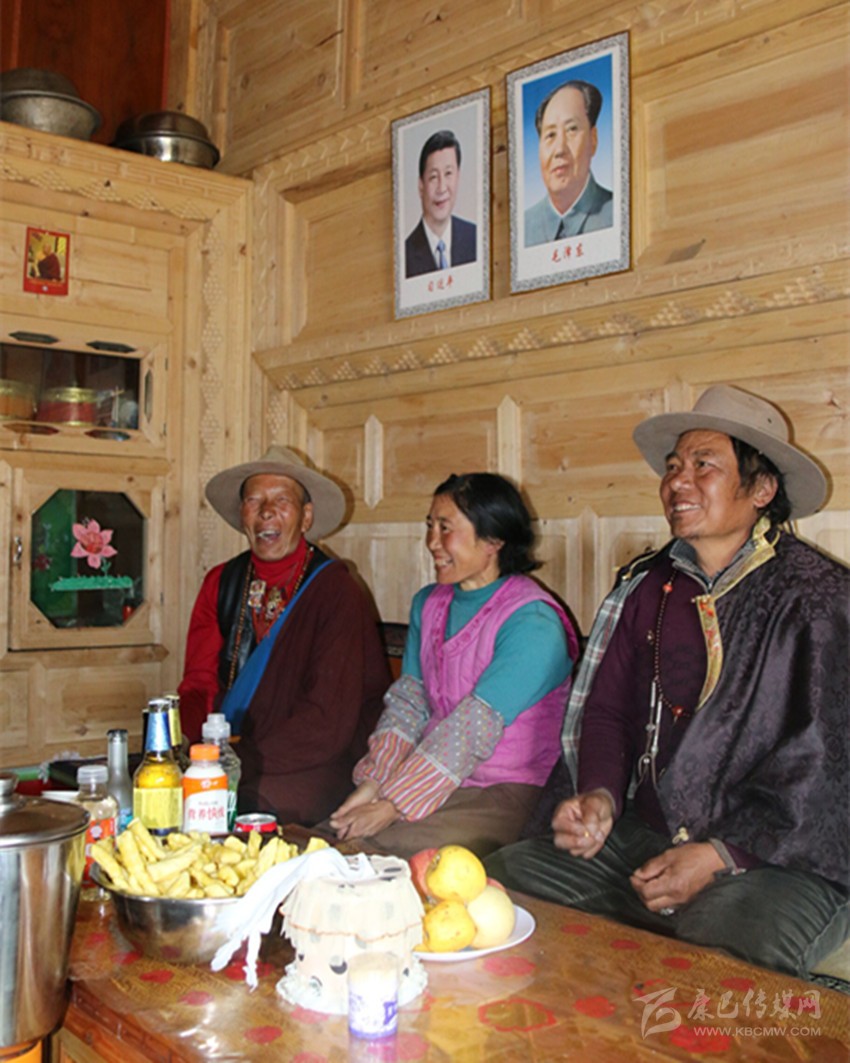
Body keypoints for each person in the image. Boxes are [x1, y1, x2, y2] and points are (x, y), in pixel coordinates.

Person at [486, 385, 849, 980]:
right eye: (674, 466)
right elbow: (606, 711)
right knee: (503, 890)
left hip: (778, 857)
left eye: (704, 465)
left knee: (718, 961)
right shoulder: (648, 586)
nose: (678, 481)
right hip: (645, 834)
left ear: (761, 489)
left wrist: (719, 855)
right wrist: (600, 797)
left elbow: (827, 770)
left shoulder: (819, 599)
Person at [329, 473, 579, 858]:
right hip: (431, 776)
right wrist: (374, 783)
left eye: (446, 528)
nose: (432, 542)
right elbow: (409, 702)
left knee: (374, 854)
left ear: (494, 540)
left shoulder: (533, 624)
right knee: (327, 839)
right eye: (430, 526)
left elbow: (471, 728)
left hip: (507, 791)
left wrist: (393, 804)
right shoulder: (428, 603)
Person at [178, 445, 390, 825]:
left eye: (282, 500)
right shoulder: (221, 583)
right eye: (254, 500)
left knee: (251, 807)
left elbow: (327, 720)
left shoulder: (335, 591)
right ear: (242, 514)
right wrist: (202, 753)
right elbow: (198, 684)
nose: (266, 511)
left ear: (306, 517)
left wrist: (243, 760)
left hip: (312, 759)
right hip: (225, 751)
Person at [524, 79, 613, 248]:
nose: (559, 150)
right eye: (550, 135)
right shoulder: (524, 228)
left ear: (593, 139)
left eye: (572, 129)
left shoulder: (617, 213)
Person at [405, 130, 477, 278]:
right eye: (433, 177)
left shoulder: (474, 237)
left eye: (448, 174)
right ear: (421, 185)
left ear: (458, 176)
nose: (442, 188)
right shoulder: (405, 254)